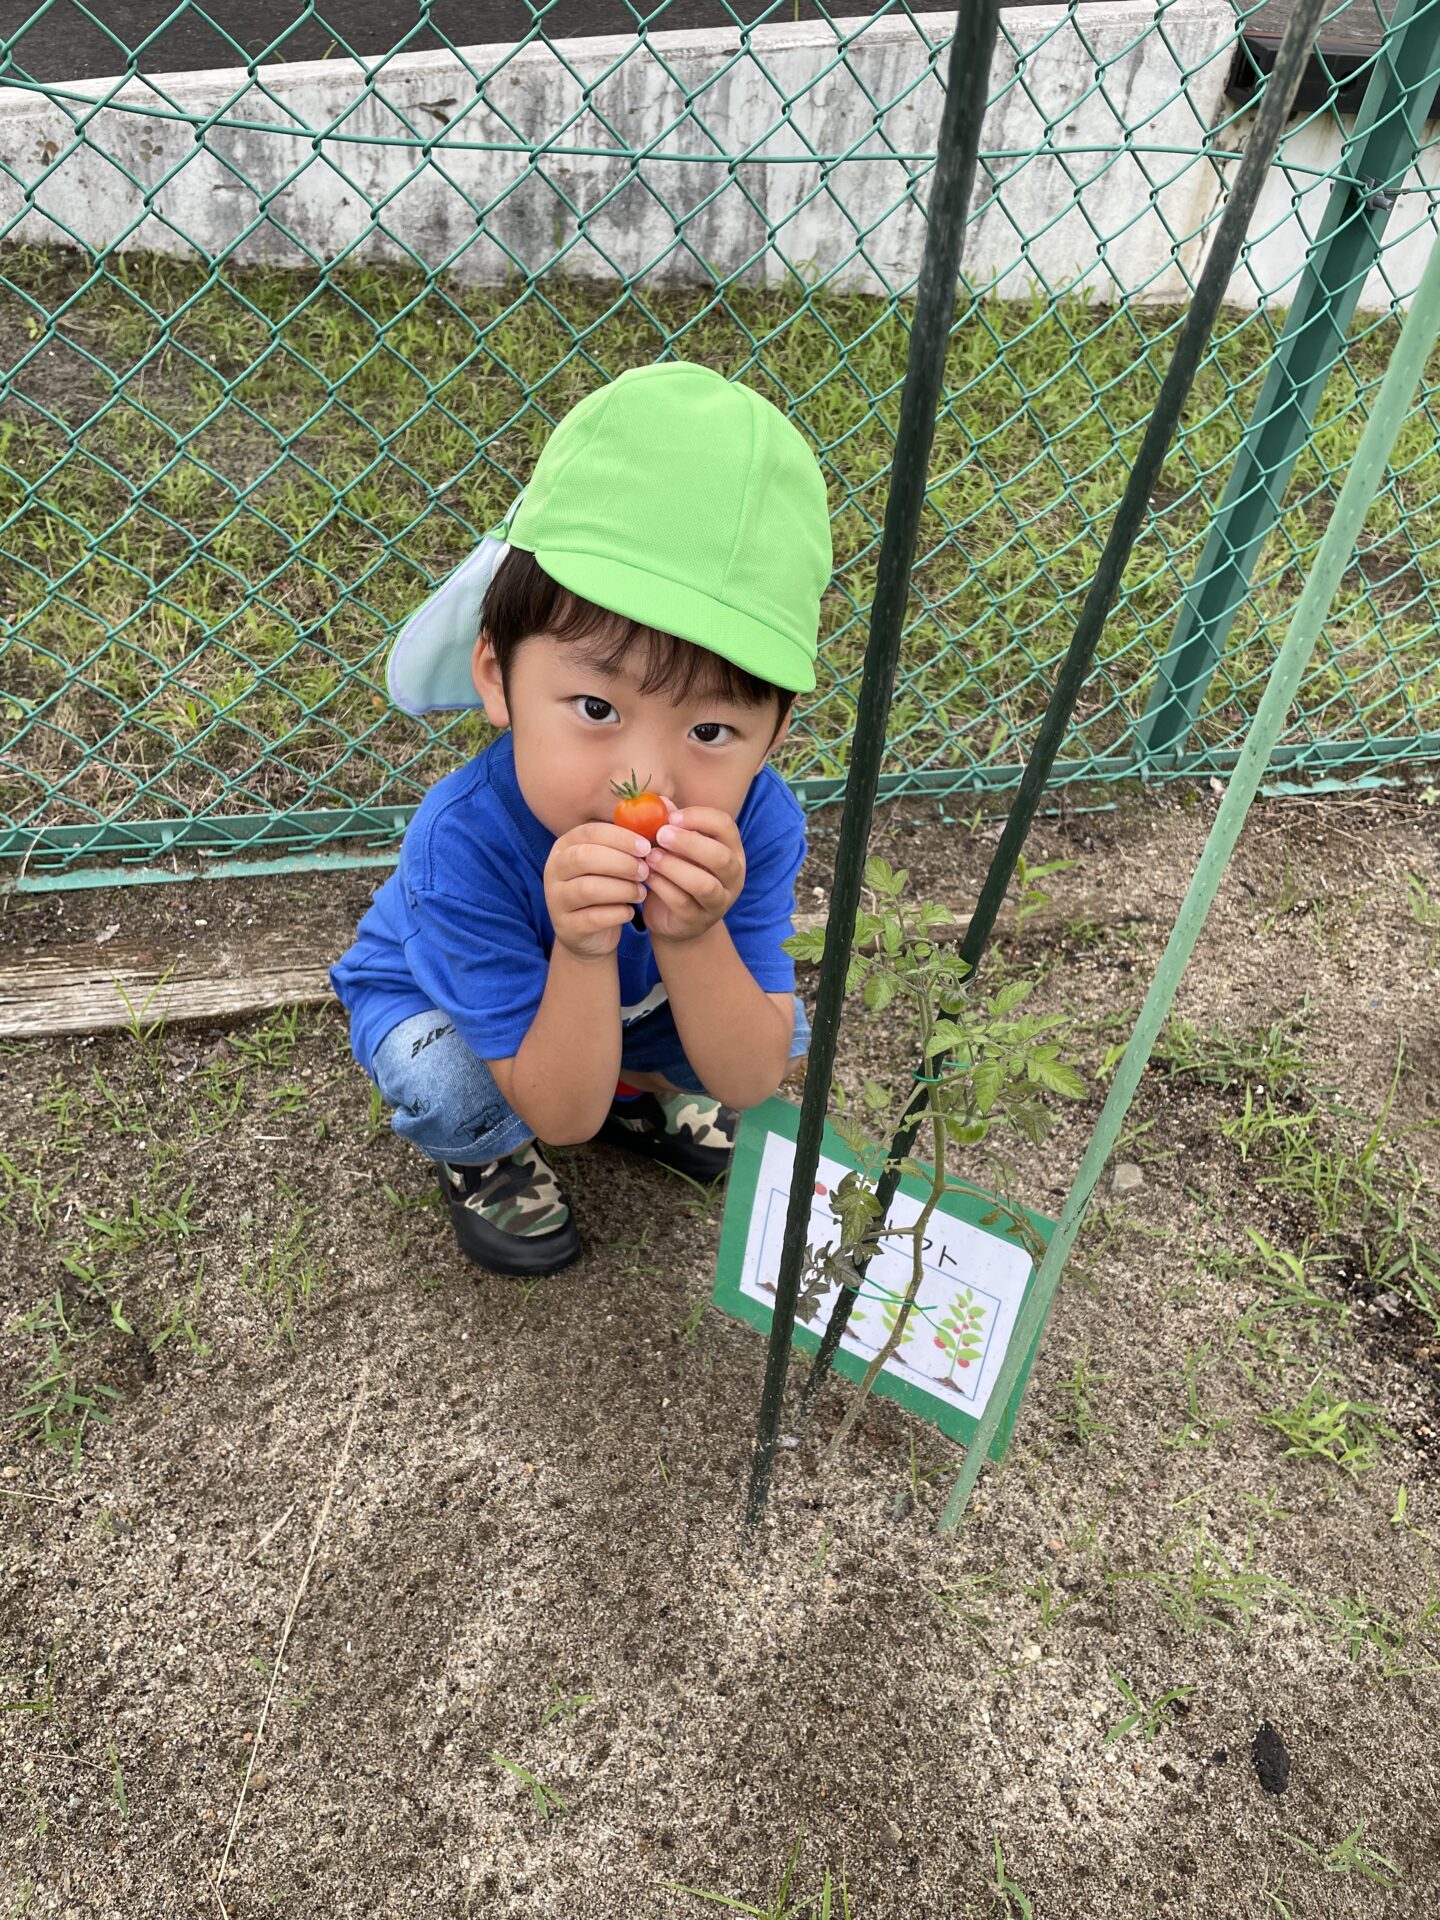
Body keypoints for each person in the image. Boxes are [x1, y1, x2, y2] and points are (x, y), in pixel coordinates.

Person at [330, 361, 831, 1278]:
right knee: (449, 1077)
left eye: (712, 728)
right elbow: (563, 1115)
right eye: (597, 709)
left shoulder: (758, 823)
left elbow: (754, 1078)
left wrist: (694, 935)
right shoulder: (464, 843)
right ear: (498, 676)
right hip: (446, 1003)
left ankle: (638, 1092)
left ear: (775, 734)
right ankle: (484, 1155)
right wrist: (585, 946)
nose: (645, 777)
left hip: (630, 1003)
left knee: (770, 1021)